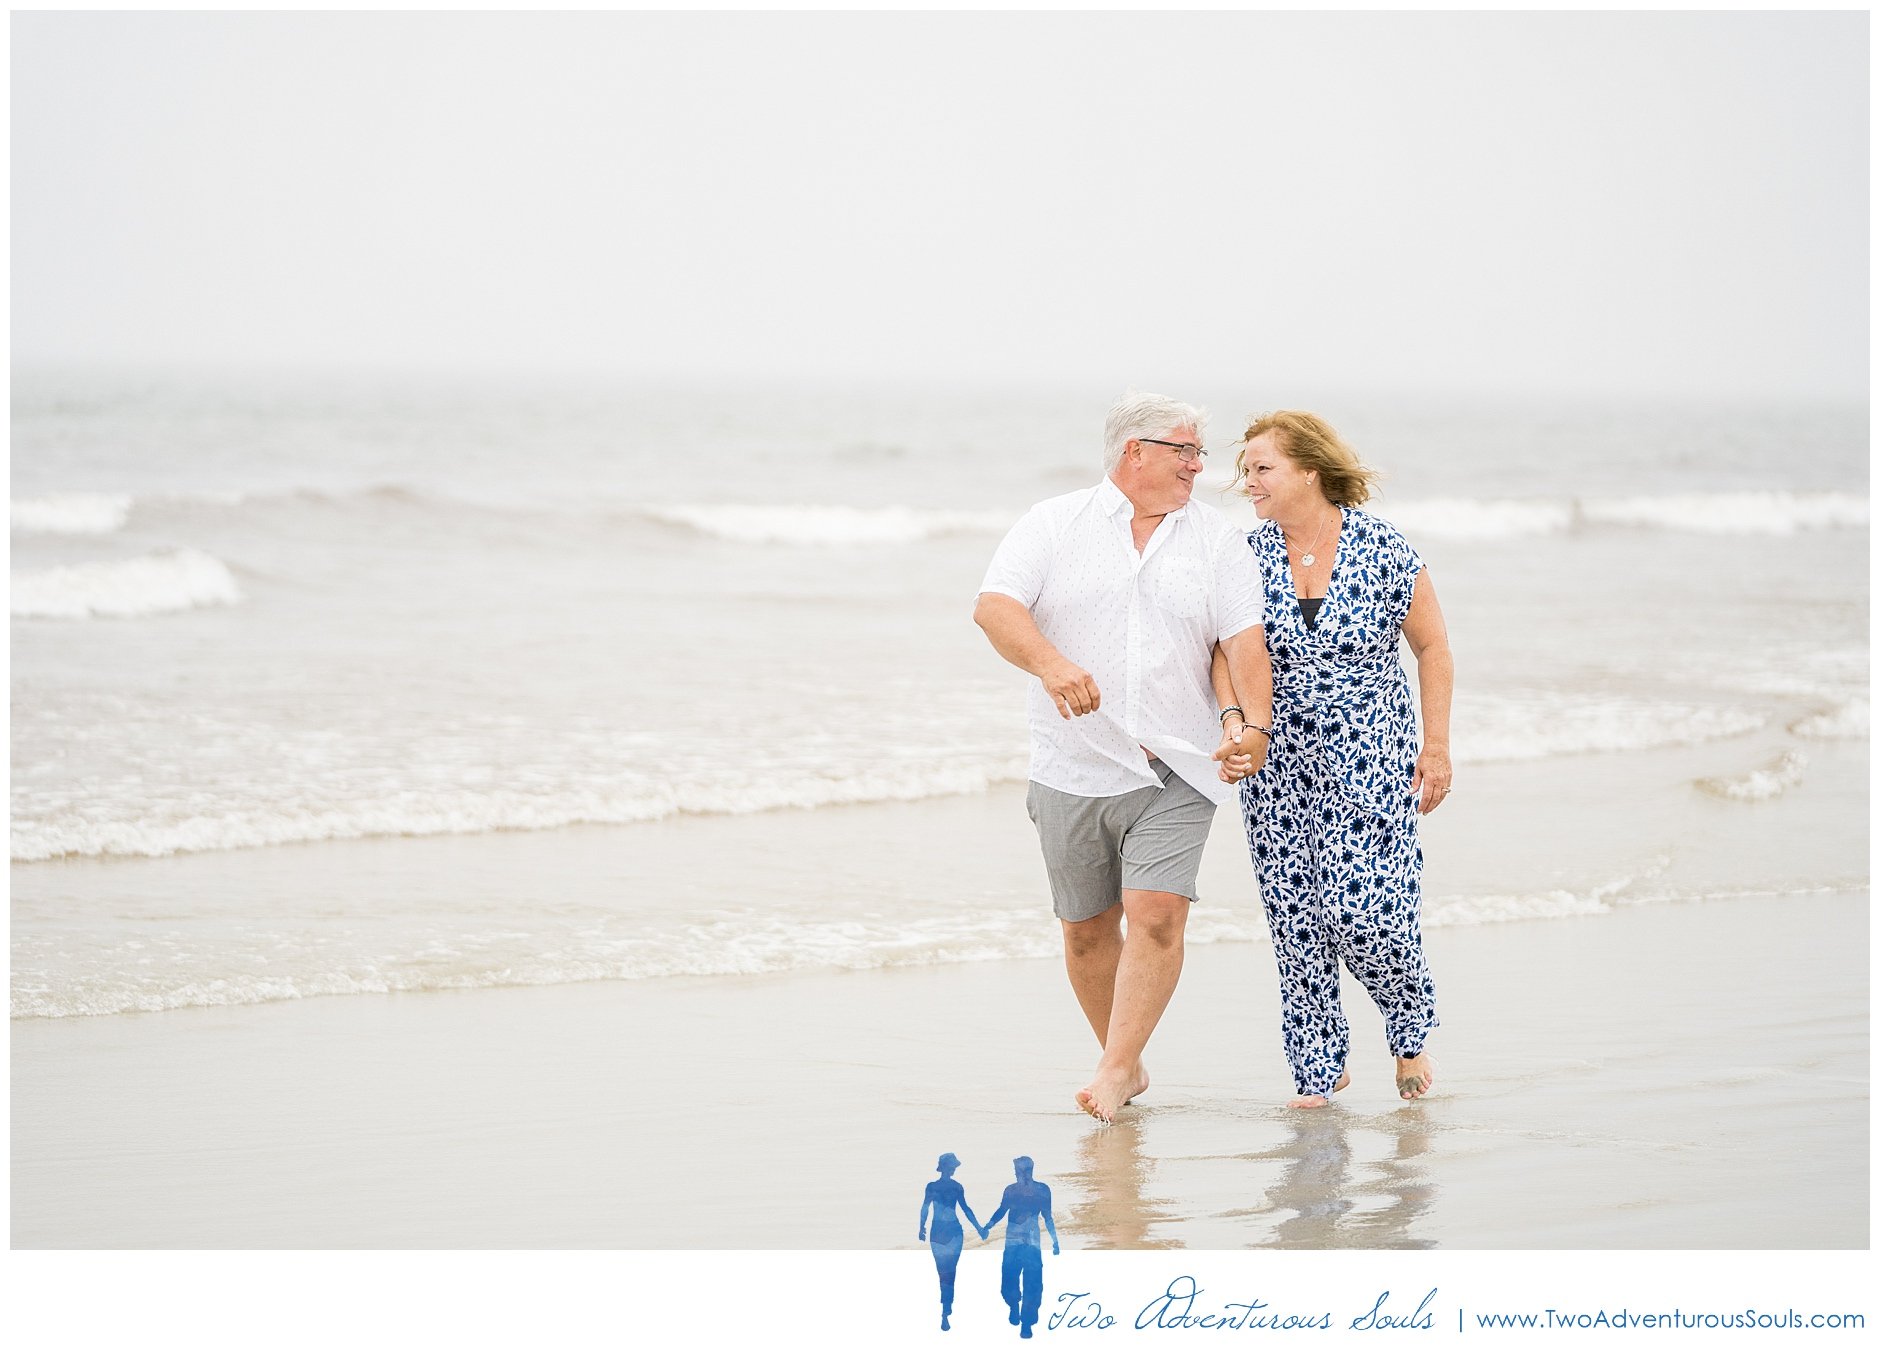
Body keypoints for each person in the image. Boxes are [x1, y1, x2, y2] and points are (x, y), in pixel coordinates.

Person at [973, 391, 1273, 1123]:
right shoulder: (1053, 522)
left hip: (1179, 761)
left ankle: (1110, 1071)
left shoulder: (1217, 540)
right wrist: (1051, 666)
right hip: (1072, 762)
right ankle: (1128, 1062)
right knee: (1084, 929)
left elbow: (1244, 641)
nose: (1200, 467)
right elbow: (995, 607)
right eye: (1185, 451)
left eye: (1200, 453)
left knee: (1158, 911)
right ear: (1134, 452)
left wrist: (1254, 726)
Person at [1212, 410, 1453, 1108]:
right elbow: (1220, 653)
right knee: (1296, 914)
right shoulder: (1244, 556)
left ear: (1308, 472)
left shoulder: (1384, 549)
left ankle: (1408, 1027)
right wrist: (1235, 721)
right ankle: (1318, 1071)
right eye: (1246, 470)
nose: (1248, 482)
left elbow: (1432, 648)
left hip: (1369, 750)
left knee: (1361, 911)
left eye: (1262, 468)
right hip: (1274, 756)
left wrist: (1435, 746)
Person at [980, 1156, 1059, 1339]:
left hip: (1019, 1244)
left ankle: (1025, 1322)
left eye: (1016, 1171)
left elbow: (1046, 1217)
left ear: (1025, 1172)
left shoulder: (1025, 1190)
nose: (1015, 1174)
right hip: (1025, 1243)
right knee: (1022, 1282)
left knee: (1021, 1281)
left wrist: (1055, 1241)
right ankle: (1018, 1311)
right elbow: (1046, 1218)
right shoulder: (1036, 1190)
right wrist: (988, 1226)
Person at [918, 1152, 983, 1331]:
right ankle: (946, 1307)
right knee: (946, 1272)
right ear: (946, 1167)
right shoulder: (950, 1187)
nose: (954, 1169)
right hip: (948, 1232)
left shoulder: (942, 1187)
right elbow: (926, 1207)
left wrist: (921, 1227)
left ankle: (946, 1309)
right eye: (952, 1166)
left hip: (943, 1232)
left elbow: (964, 1209)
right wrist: (921, 1227)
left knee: (946, 1272)